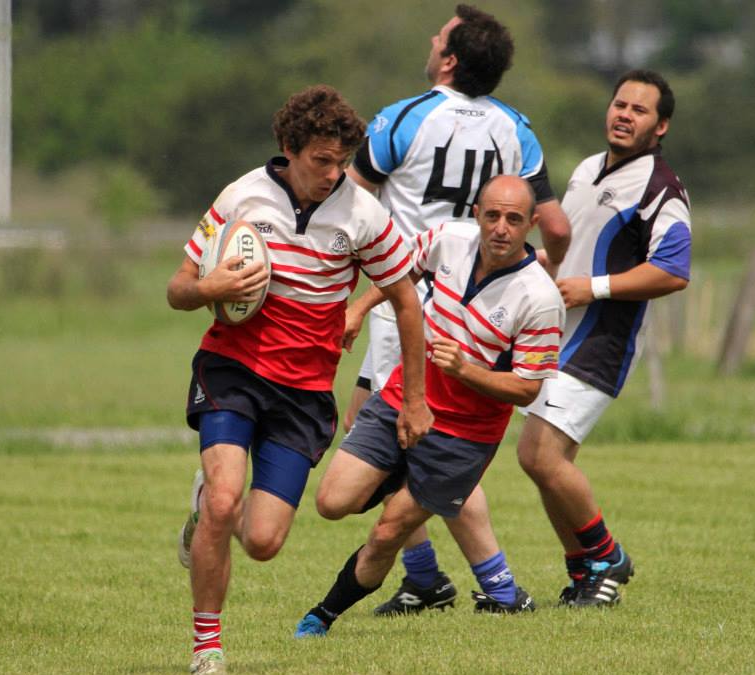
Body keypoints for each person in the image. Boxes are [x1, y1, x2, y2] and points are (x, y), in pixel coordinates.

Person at [166, 85, 432, 675]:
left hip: (304, 393)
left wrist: (415, 399)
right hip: (232, 369)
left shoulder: (362, 214)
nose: (333, 174)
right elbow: (179, 287)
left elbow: (406, 302)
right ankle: (207, 646)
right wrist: (213, 290)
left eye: (341, 161)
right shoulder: (243, 196)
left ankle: (204, 505)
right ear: (288, 149)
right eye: (321, 161)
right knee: (228, 496)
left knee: (262, 541)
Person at [342, 3, 571, 615]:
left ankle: (485, 584)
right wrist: (543, 267)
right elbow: (553, 221)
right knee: (398, 439)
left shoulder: (407, 116)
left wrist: (349, 278)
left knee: (419, 444)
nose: (430, 37)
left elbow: (351, 198)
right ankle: (429, 577)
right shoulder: (516, 128)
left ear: (448, 59)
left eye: (439, 36)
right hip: (474, 301)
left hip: (416, 300)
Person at [293, 174, 564, 638]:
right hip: (405, 395)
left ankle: (323, 615)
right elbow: (401, 274)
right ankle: (411, 477)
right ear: (476, 213)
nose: (501, 228)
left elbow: (526, 389)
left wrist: (466, 370)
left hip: (465, 435)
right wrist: (358, 310)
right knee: (332, 502)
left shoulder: (540, 299)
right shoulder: (448, 239)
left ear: (532, 224)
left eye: (514, 219)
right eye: (493, 215)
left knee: (386, 533)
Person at [517, 69, 691, 607]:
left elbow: (674, 270)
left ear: (659, 127)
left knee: (540, 456)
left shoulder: (662, 189)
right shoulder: (590, 169)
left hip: (602, 340)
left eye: (639, 111)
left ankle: (607, 555)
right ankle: (585, 574)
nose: (624, 115)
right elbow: (571, 249)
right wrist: (521, 265)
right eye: (620, 104)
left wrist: (592, 288)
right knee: (542, 463)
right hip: (554, 332)